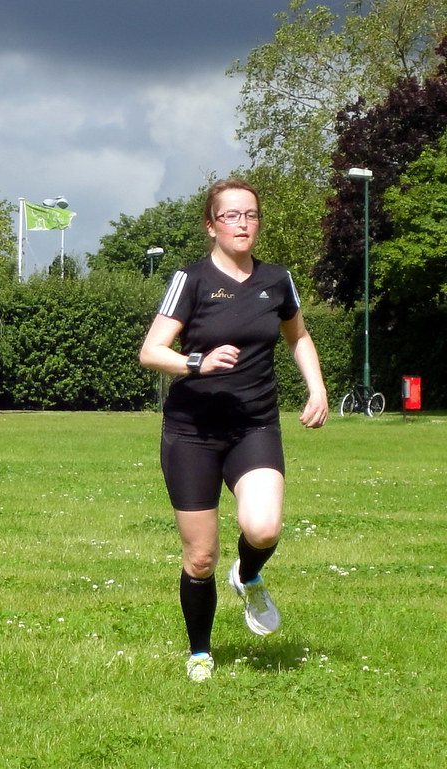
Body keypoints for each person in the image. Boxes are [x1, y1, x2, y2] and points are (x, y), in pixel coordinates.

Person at [138, 178, 328, 682]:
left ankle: (248, 575)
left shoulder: (277, 279)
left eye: (251, 215)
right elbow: (151, 351)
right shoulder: (192, 279)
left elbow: (299, 336)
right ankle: (200, 650)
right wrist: (196, 362)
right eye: (231, 216)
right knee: (200, 556)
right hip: (192, 432)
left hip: (254, 425)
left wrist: (317, 389)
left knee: (263, 527)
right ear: (211, 225)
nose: (243, 224)